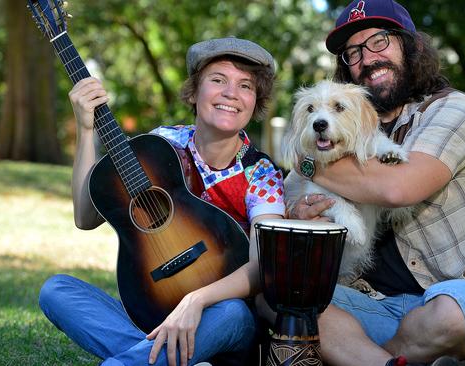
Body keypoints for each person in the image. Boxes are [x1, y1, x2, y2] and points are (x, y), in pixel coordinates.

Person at [289, 1, 465, 365]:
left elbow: (398, 190)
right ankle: (387, 361)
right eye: (353, 52)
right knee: (277, 294)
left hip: (460, 302)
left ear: (410, 45)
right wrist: (302, 211)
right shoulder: (343, 126)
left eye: (379, 41)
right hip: (373, 305)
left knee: (451, 313)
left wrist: (307, 162)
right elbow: (293, 197)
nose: (367, 58)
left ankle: (359, 357)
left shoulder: (453, 109)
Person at [38, 37, 285, 366]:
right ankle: (180, 359)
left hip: (226, 318)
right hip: (153, 310)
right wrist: (85, 130)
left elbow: (262, 269)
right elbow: (85, 217)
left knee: (232, 312)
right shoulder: (161, 145)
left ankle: (131, 361)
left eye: (245, 86)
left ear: (255, 101)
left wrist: (195, 301)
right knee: (56, 291)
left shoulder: (261, 173)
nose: (231, 93)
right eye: (217, 80)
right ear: (194, 92)